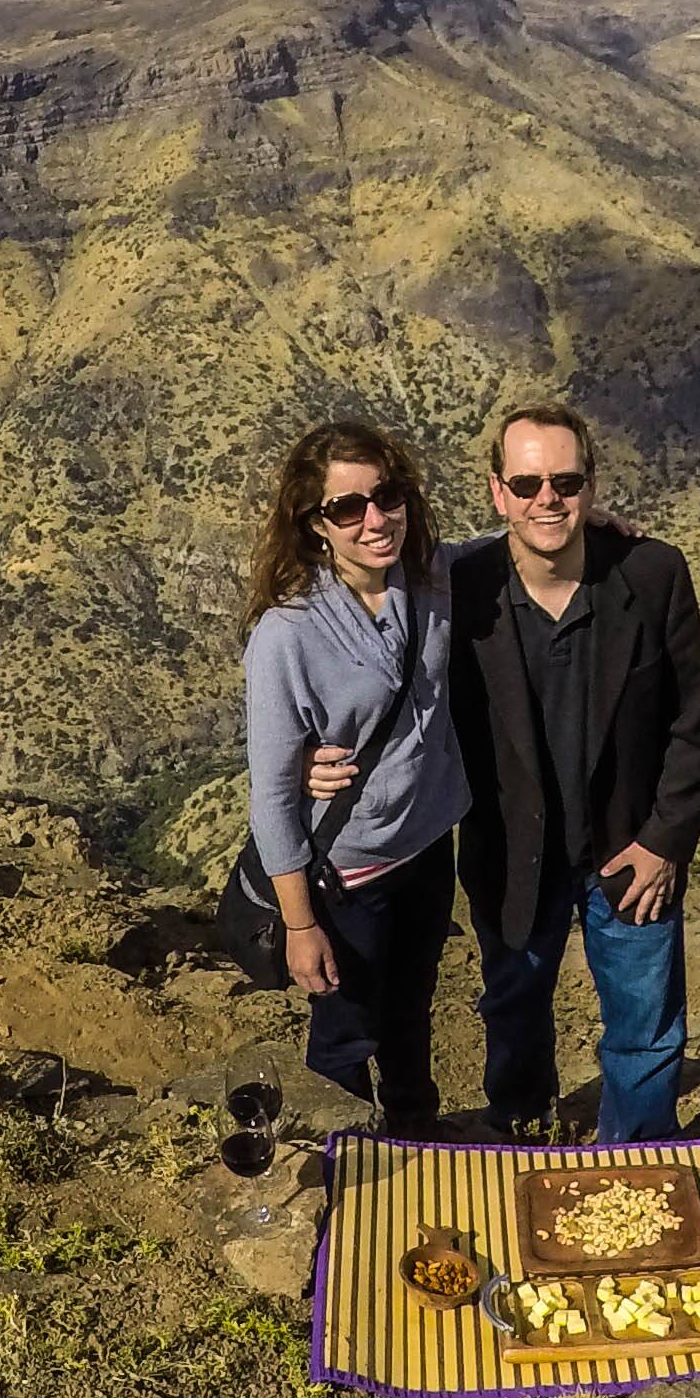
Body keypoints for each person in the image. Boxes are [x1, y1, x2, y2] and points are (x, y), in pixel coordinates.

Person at [442, 399, 700, 1141]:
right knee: (514, 1014)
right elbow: (359, 607)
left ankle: (635, 1159)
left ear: (591, 488)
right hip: (511, 858)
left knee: (646, 1027)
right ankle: (524, 1137)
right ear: (497, 491)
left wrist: (666, 841)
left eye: (565, 483)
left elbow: (691, 724)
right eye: (526, 485)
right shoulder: (461, 590)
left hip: (630, 851)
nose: (547, 500)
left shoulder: (653, 575)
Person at [240, 416, 470, 1134]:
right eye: (348, 507)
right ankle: (341, 1169)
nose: (376, 520)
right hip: (348, 878)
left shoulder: (429, 576)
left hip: (428, 848)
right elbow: (273, 797)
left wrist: (589, 525)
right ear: (315, 525)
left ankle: (415, 1138)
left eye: (388, 495)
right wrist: (299, 922)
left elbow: (510, 550)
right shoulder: (287, 633)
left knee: (411, 1012)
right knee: (345, 1033)